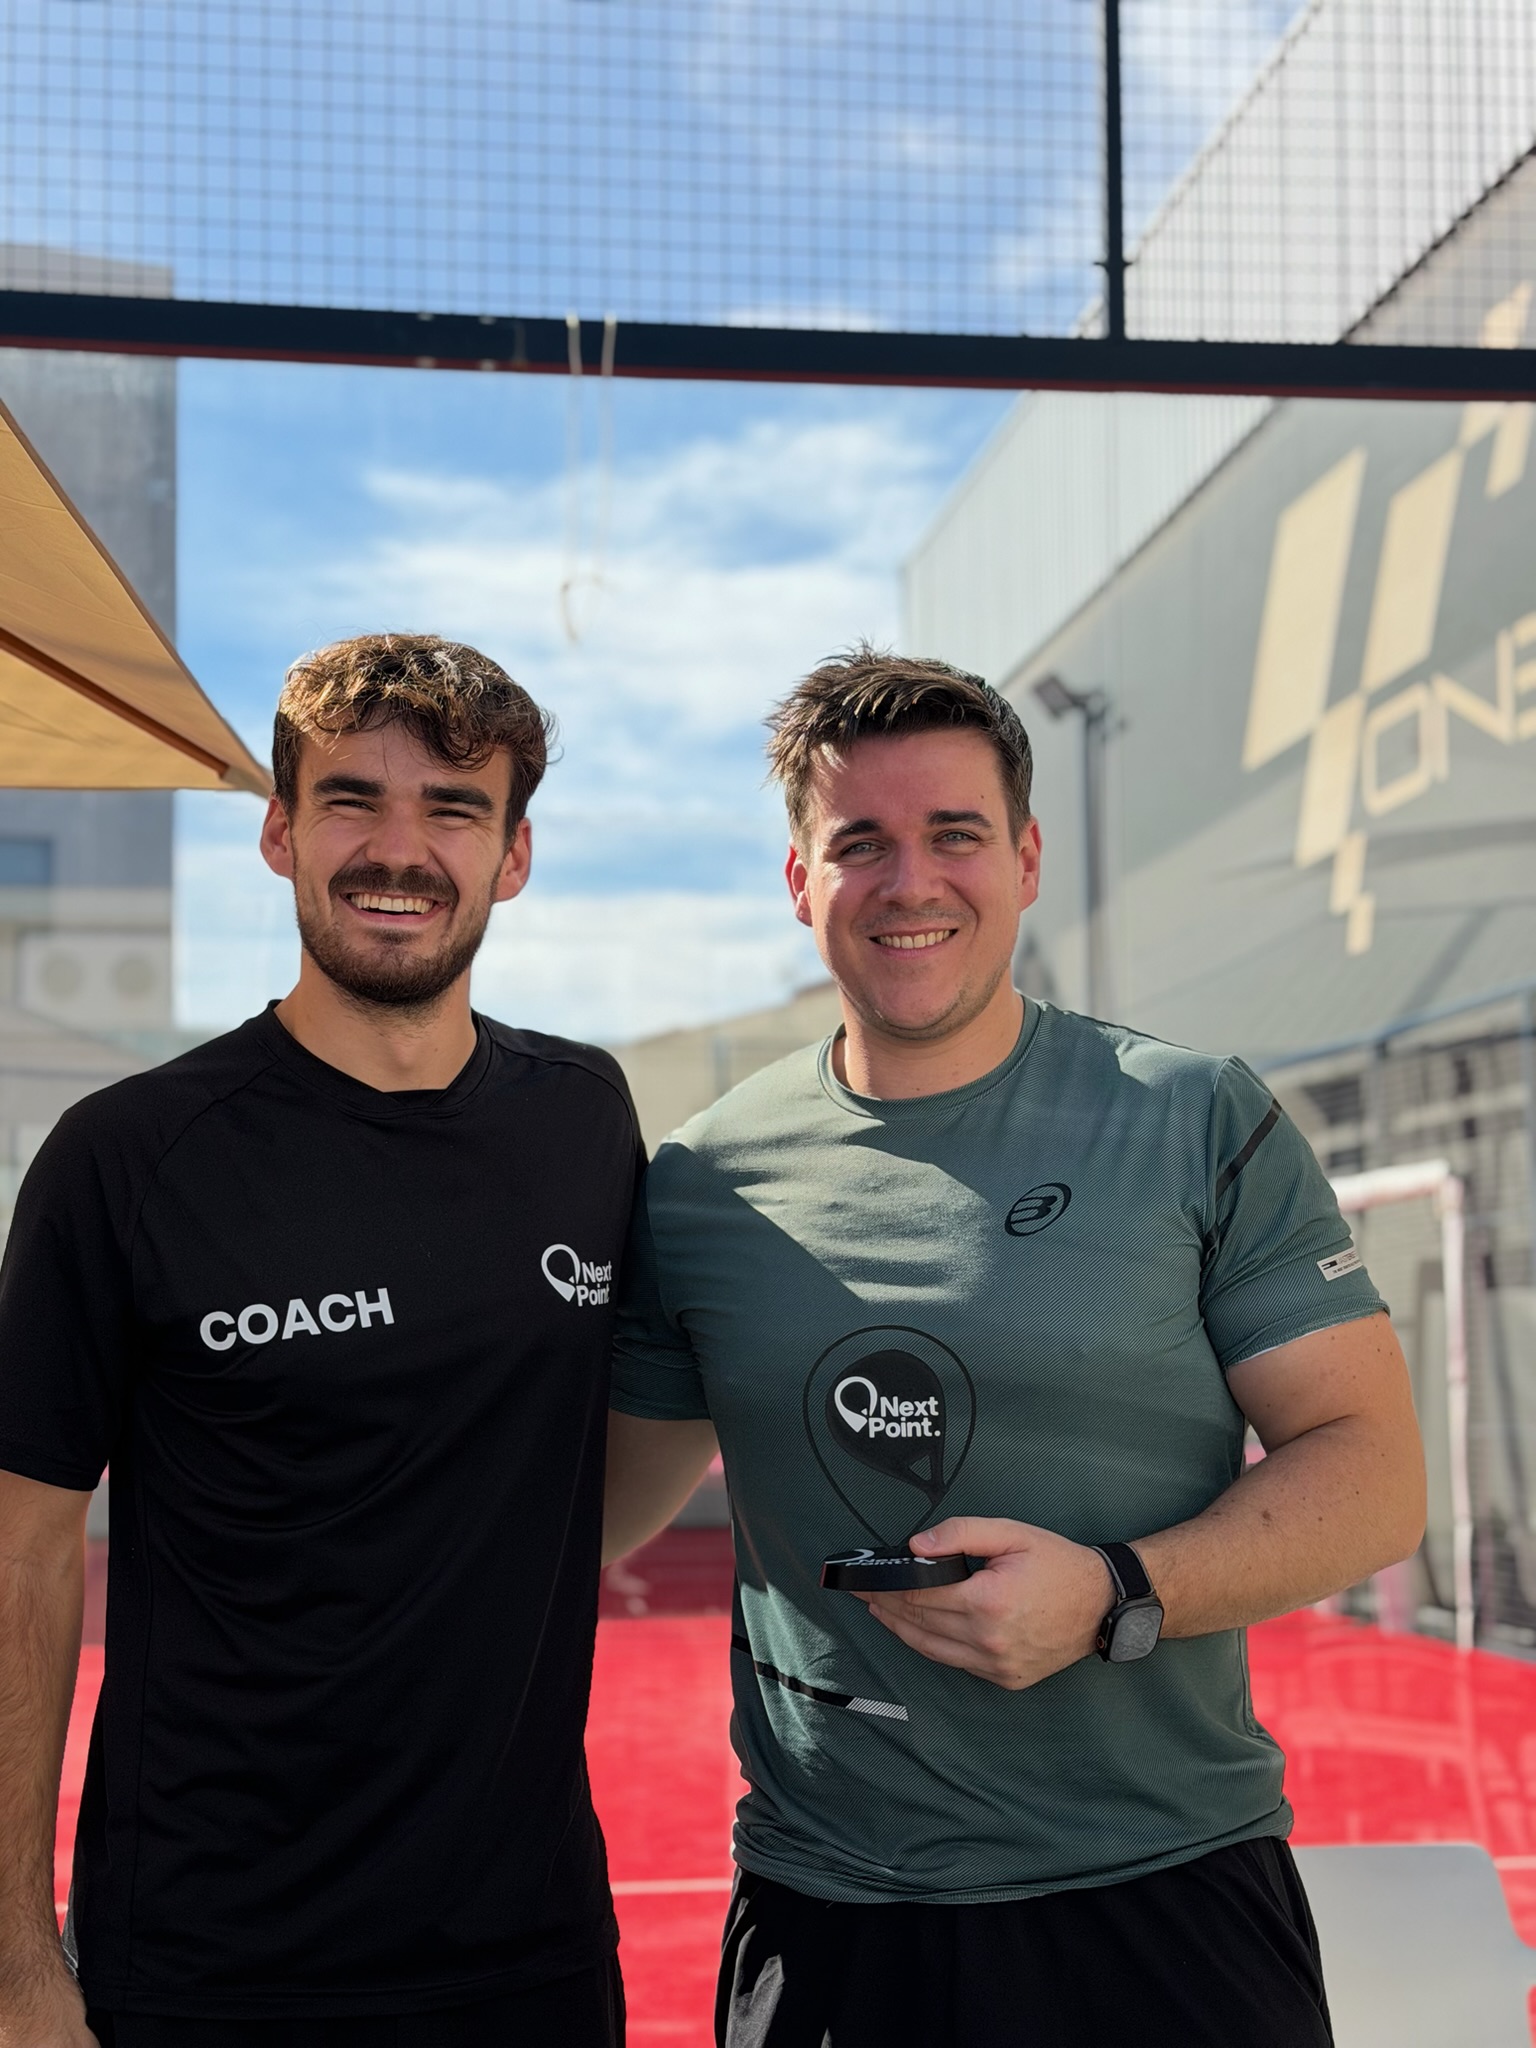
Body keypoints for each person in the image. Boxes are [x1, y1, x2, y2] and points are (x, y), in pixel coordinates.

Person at [603, 646, 1426, 2048]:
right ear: (800, 881)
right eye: (860, 844)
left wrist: (1117, 1589)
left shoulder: (1194, 1118)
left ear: (1027, 859)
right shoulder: (699, 1183)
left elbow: (1375, 1476)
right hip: (831, 1919)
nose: (910, 881)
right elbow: (596, 1509)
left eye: (955, 834)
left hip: (1165, 1903)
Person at [0, 635, 637, 2048]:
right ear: (280, 833)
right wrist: (13, 1963)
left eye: (454, 809)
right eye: (352, 799)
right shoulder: (129, 1157)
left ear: (514, 856)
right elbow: (19, 1556)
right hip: (210, 1967)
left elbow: (623, 1434)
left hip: (528, 1961)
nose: (398, 850)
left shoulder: (585, 1120)